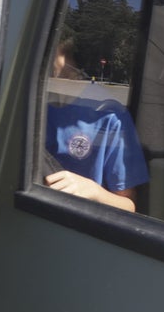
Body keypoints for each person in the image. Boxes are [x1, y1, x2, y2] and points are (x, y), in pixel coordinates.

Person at [43, 36, 149, 212]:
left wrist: (94, 191)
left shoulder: (109, 115)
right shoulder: (35, 99)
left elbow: (129, 205)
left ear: (73, 61)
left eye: (50, 51)